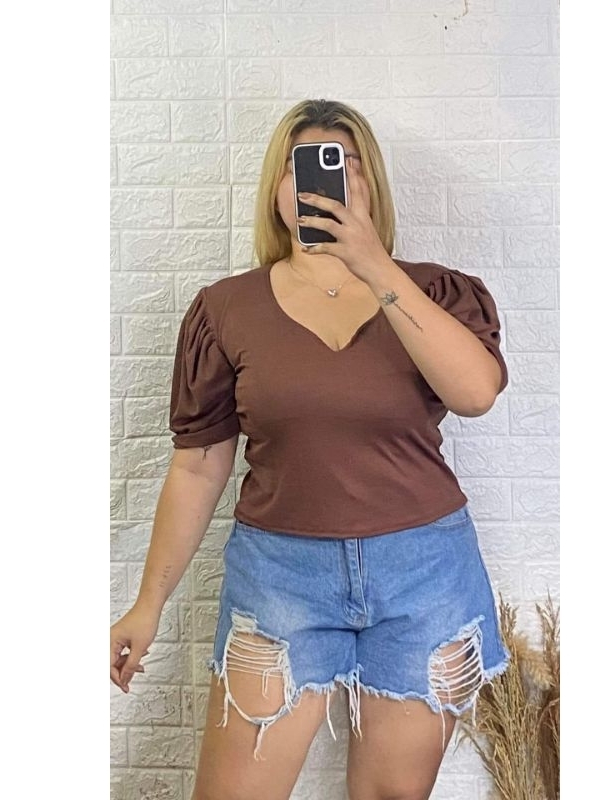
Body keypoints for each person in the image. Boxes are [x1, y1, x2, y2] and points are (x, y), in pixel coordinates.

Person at [110, 98, 510, 800]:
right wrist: (149, 603)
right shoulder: (227, 309)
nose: (323, 181)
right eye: (303, 168)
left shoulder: (432, 292)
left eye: (344, 165)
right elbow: (199, 465)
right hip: (280, 577)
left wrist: (373, 264)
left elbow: (476, 393)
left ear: (370, 185)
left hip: (425, 572)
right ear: (276, 189)